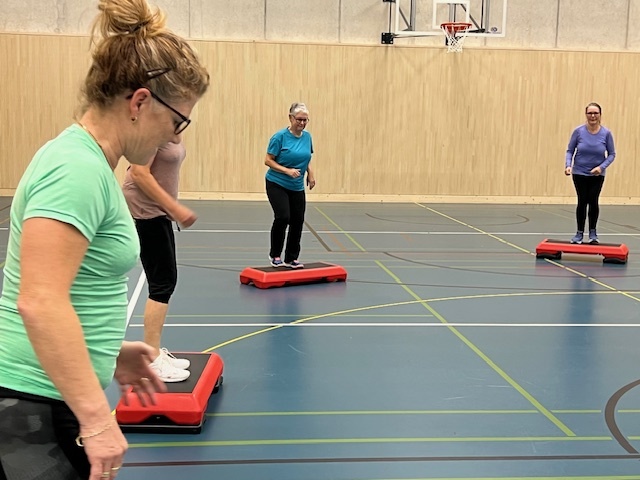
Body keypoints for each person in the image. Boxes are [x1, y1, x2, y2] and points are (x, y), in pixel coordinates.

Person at [0, 0, 209, 478]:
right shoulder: (75, 169)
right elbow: (39, 301)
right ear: (139, 103)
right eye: (177, 122)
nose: (174, 137)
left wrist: (109, 352)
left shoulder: (91, 164)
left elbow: (74, 288)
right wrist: (96, 419)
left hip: (51, 397)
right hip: (32, 405)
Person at [122, 141, 197, 383]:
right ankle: (152, 359)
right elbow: (138, 172)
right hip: (146, 209)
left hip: (158, 211)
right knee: (161, 283)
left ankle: (154, 352)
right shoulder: (152, 133)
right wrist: (174, 207)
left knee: (166, 280)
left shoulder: (172, 127)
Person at [264, 102, 316, 269]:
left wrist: (310, 173)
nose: (302, 123)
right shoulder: (279, 137)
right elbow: (268, 160)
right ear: (291, 118)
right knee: (283, 217)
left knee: (297, 220)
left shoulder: (307, 137)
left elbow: (307, 157)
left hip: (297, 186)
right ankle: (275, 255)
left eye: (305, 120)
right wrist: (287, 171)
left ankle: (291, 258)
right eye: (299, 119)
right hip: (277, 183)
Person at [565, 102, 616, 244]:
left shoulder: (606, 133)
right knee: (582, 201)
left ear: (600, 115)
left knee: (593, 201)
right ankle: (579, 233)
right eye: (590, 113)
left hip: (597, 175)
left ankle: (593, 233)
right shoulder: (578, 132)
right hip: (579, 173)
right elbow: (570, 150)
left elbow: (612, 154)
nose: (593, 116)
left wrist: (601, 167)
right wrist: (568, 165)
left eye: (595, 113)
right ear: (586, 115)